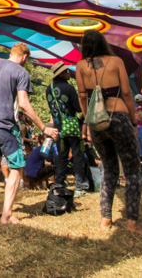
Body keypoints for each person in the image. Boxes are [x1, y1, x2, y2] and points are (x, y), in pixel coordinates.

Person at [0, 42, 58, 225]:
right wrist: (43, 127)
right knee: (17, 166)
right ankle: (7, 214)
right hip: (4, 124)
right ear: (24, 57)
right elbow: (23, 103)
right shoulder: (21, 72)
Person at [75, 30, 142, 233]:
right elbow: (127, 93)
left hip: (96, 122)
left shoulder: (80, 66)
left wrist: (88, 121)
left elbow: (81, 95)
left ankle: (106, 218)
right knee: (131, 171)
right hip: (119, 115)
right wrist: (132, 121)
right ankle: (132, 222)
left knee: (109, 169)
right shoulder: (116, 62)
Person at [46, 62, 88, 198]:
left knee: (61, 156)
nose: (69, 73)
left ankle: (59, 184)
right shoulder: (69, 88)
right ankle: (80, 186)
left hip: (58, 128)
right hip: (72, 127)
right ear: (62, 74)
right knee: (78, 155)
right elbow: (77, 108)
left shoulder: (49, 89)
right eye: (67, 72)